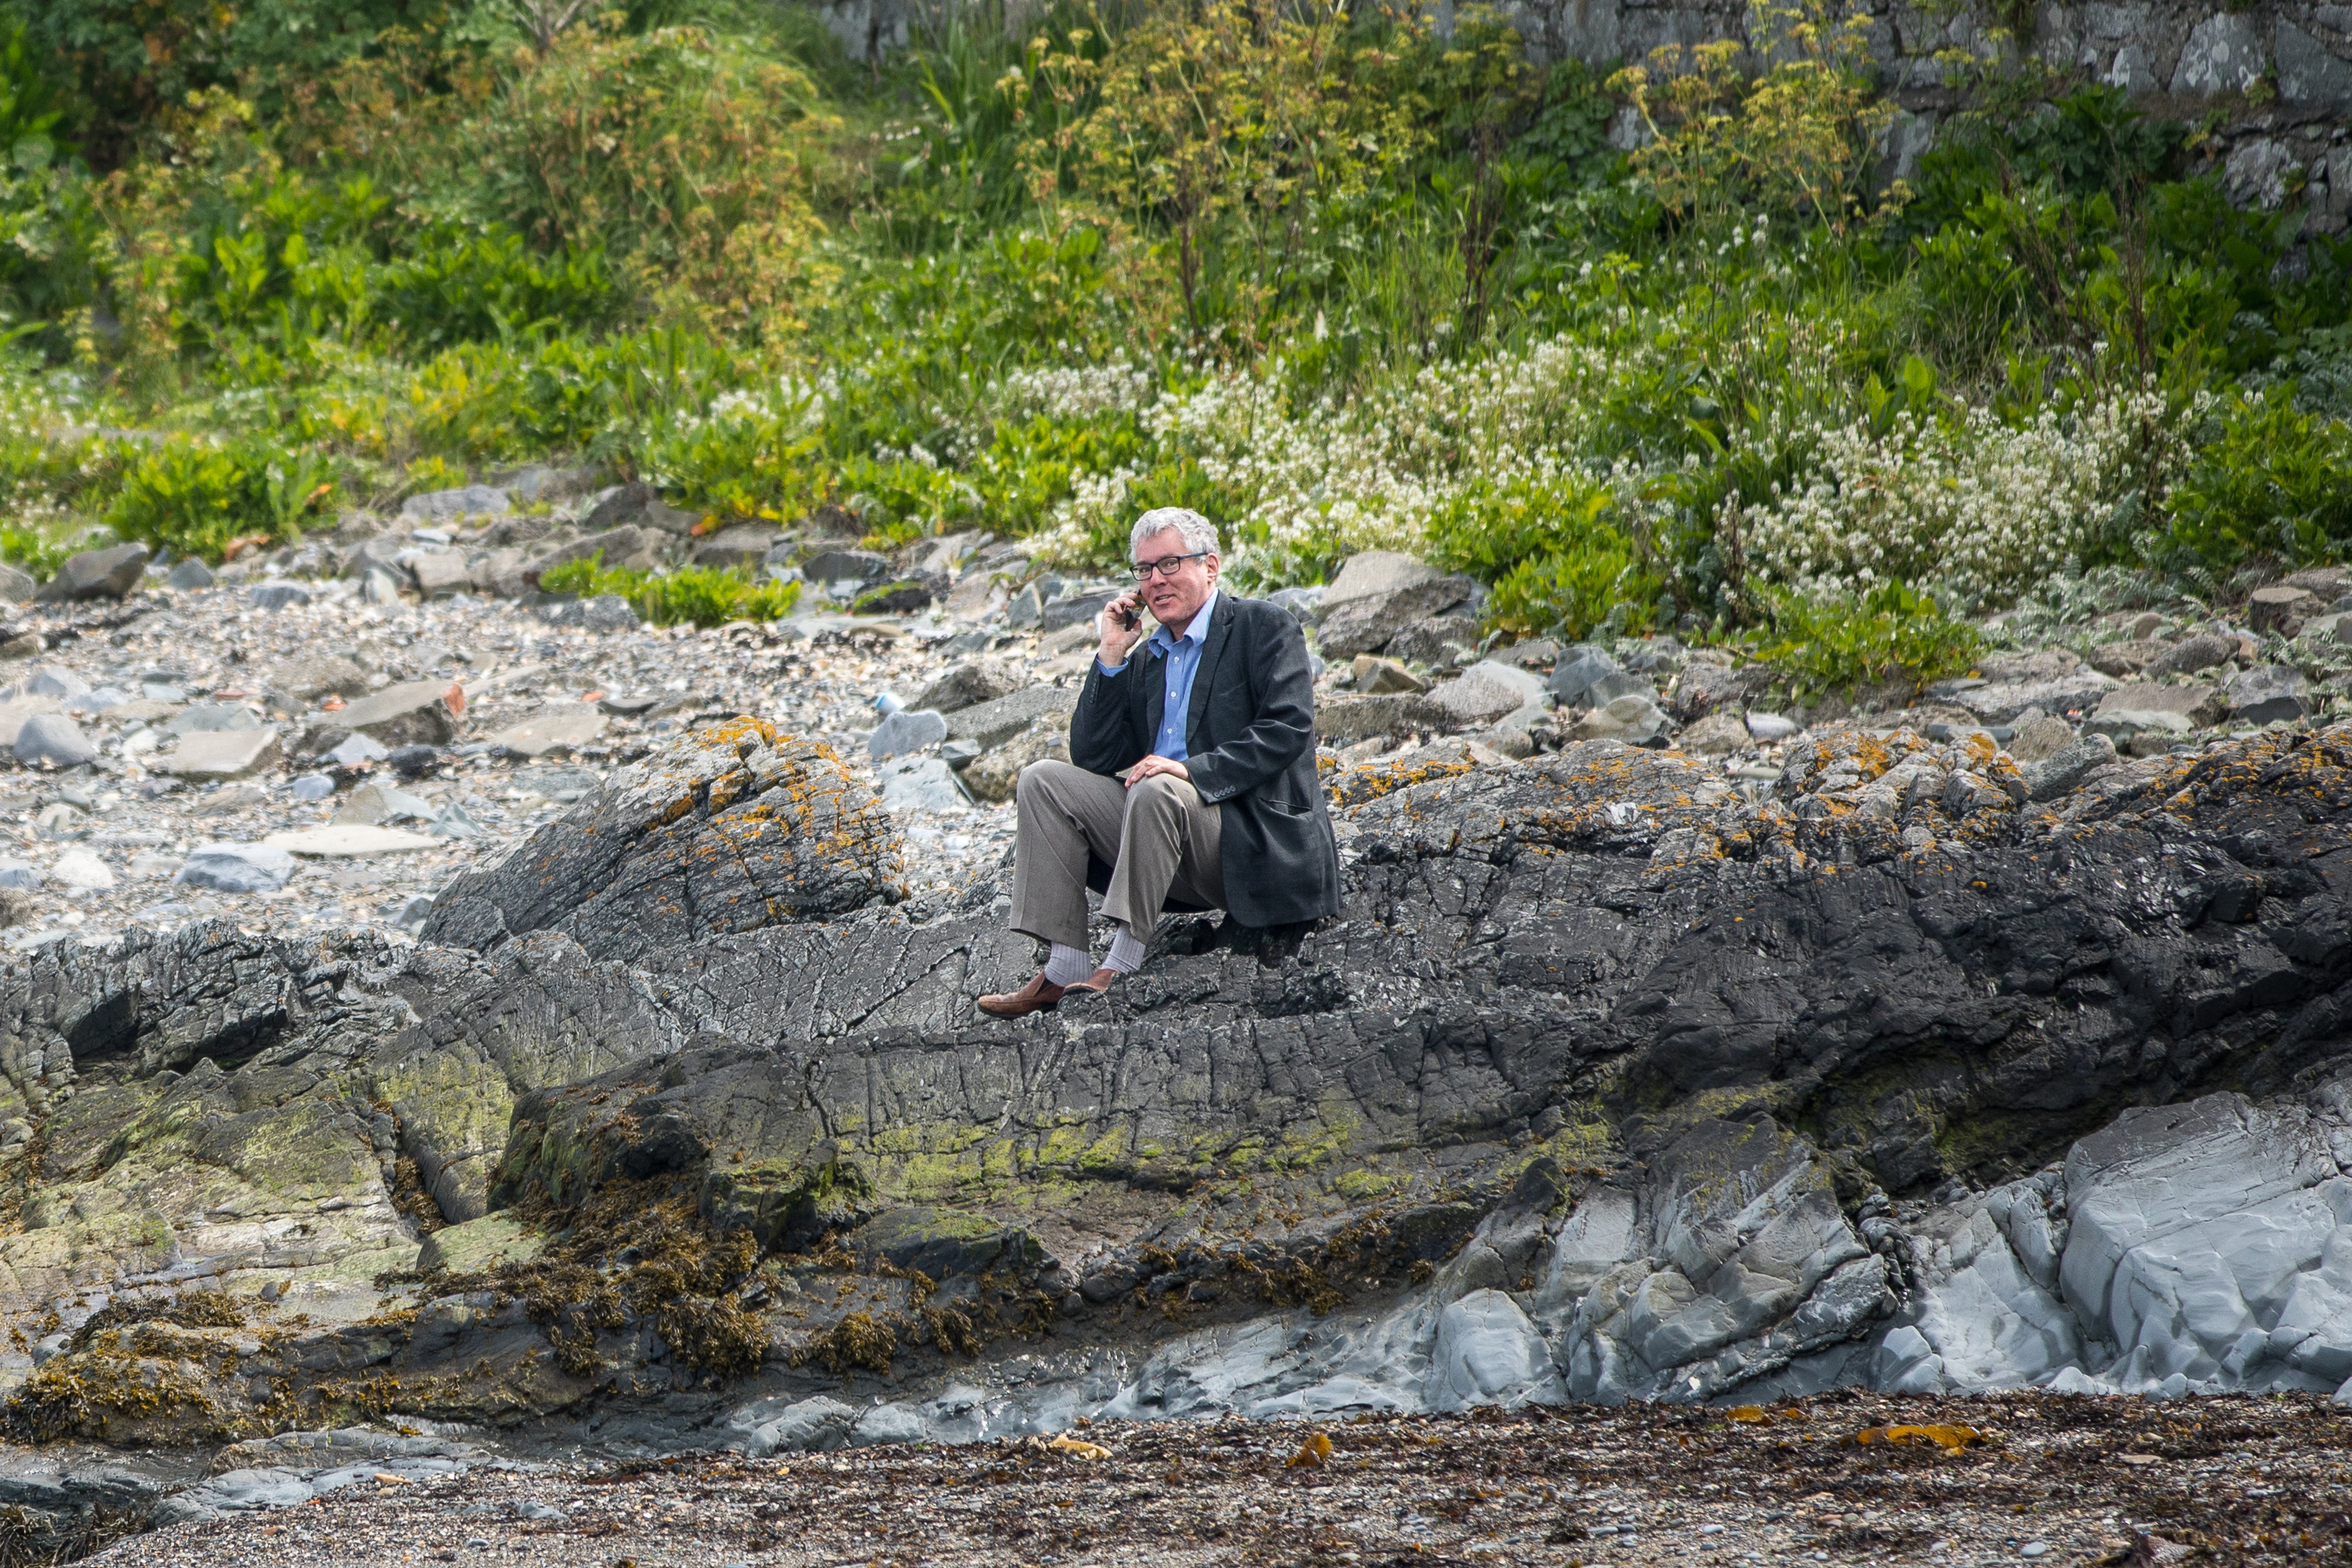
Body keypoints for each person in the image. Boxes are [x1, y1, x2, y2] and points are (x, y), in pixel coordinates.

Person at [977, 507, 1341, 1016]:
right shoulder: (1148, 656)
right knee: (1043, 781)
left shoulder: (1264, 627)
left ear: (1209, 567)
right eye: (1144, 570)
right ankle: (1065, 968)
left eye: (1169, 564)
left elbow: (1287, 729)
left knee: (1157, 784)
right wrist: (1110, 655)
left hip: (1248, 842)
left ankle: (1122, 960)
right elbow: (1095, 756)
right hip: (1163, 847)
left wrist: (1190, 770)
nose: (1155, 580)